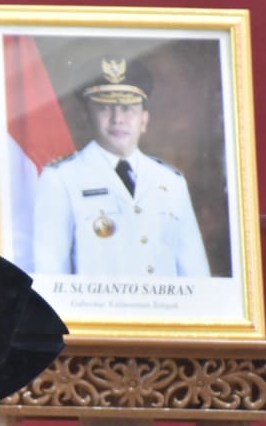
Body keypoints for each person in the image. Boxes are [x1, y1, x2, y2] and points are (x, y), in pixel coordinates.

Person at [30, 56, 210, 277]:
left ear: (144, 120)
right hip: (92, 311)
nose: (117, 118)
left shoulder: (171, 182)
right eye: (105, 108)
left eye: (128, 108)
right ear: (87, 116)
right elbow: (50, 271)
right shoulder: (61, 179)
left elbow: (196, 273)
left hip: (165, 311)